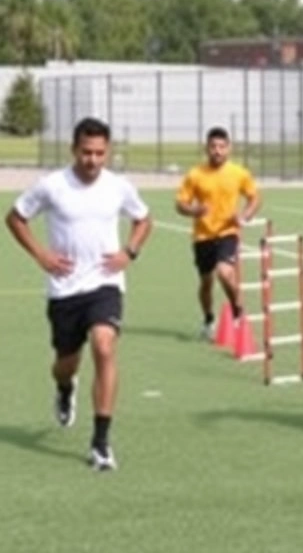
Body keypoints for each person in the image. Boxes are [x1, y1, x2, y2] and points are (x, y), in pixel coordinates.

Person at [4, 117, 153, 472]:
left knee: (104, 345)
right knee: (65, 363)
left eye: (100, 153)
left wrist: (129, 252)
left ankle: (100, 443)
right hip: (64, 290)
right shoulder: (52, 186)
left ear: (108, 152)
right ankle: (65, 387)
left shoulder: (118, 186)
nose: (93, 160)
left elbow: (144, 219)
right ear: (74, 149)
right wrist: (41, 254)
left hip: (105, 284)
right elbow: (15, 218)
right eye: (86, 152)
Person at [174, 127, 261, 340]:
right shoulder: (195, 174)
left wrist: (244, 216)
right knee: (206, 283)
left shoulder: (239, 173)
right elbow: (180, 203)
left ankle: (237, 310)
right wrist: (194, 210)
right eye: (213, 146)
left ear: (229, 148)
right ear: (206, 148)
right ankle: (208, 319)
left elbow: (255, 198)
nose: (217, 151)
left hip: (227, 233)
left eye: (222, 146)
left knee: (224, 272)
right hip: (203, 236)